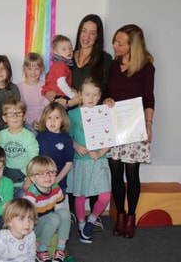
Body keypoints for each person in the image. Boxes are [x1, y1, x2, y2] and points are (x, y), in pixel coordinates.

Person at [104, 24, 155, 239]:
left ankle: (131, 217)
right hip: (114, 126)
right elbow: (106, 92)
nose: (115, 45)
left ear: (131, 45)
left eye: (120, 43)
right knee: (115, 174)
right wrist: (106, 100)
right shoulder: (112, 66)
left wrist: (149, 124)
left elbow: (149, 98)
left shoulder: (146, 68)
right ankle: (121, 216)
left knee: (132, 174)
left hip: (135, 128)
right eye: (115, 41)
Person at [67, 79, 111, 244]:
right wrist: (76, 146)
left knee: (105, 196)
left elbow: (110, 138)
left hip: (99, 161)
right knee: (80, 195)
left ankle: (91, 220)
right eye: (87, 94)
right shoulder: (73, 115)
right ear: (80, 95)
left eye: (94, 94)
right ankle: (81, 224)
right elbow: (68, 137)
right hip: (81, 161)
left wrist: (100, 153)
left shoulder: (103, 112)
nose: (91, 98)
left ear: (99, 96)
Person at [24, 156, 70, 262]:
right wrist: (30, 239)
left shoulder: (56, 188)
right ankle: (42, 250)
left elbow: (60, 211)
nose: (48, 177)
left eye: (51, 172)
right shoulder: (30, 195)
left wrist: (59, 226)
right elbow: (26, 220)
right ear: (32, 178)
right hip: (33, 228)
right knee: (54, 218)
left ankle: (60, 249)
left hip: (48, 221)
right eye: (42, 174)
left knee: (64, 212)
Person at [0, 97, 39, 198]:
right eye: (10, 114)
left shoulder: (29, 136)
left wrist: (29, 180)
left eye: (18, 113)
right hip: (4, 184)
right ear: (4, 118)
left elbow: (34, 160)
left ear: (24, 117)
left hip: (24, 183)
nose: (15, 117)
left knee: (23, 210)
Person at [36, 102, 74, 192]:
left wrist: (56, 181)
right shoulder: (39, 137)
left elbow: (69, 164)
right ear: (44, 119)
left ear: (63, 120)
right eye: (49, 117)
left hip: (59, 183)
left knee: (58, 205)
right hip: (41, 183)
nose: (52, 121)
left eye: (57, 118)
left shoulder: (67, 139)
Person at [0, 198, 37, 262]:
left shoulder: (31, 235)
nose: (27, 223)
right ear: (9, 221)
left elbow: (31, 257)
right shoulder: (0, 241)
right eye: (21, 219)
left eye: (30, 218)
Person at [17, 52, 49, 132]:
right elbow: (20, 110)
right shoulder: (19, 87)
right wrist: (32, 122)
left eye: (36, 69)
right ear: (25, 69)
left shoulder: (45, 86)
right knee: (32, 135)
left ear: (41, 69)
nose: (33, 72)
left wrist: (40, 121)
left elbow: (48, 108)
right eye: (30, 68)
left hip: (44, 120)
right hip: (27, 122)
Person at [42, 35, 77, 103]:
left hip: (59, 95)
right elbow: (61, 83)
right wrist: (73, 95)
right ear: (56, 52)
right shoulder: (60, 65)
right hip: (59, 96)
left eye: (70, 48)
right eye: (64, 49)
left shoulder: (62, 65)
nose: (68, 51)